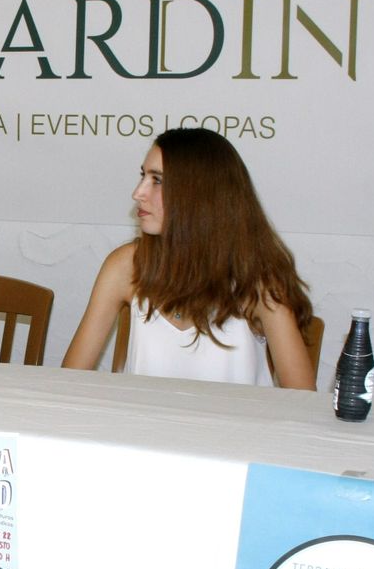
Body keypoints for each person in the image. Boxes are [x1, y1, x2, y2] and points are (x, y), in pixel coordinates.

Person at [62, 129, 315, 388]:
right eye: (143, 176)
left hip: (236, 429)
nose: (138, 192)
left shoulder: (258, 278)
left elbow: (302, 398)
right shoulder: (124, 266)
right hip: (141, 426)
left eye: (157, 180)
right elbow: (69, 380)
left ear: (199, 195)